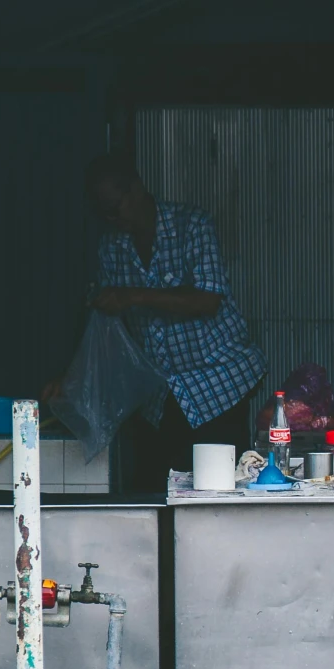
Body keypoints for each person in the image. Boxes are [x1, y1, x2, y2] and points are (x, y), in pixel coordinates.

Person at [70, 154, 266, 492]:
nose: (112, 218)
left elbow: (207, 299)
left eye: (116, 207)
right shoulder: (112, 247)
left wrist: (133, 296)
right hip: (162, 393)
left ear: (136, 190)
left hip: (217, 383)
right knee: (156, 488)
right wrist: (71, 379)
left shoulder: (191, 225)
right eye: (104, 213)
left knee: (217, 487)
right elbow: (108, 327)